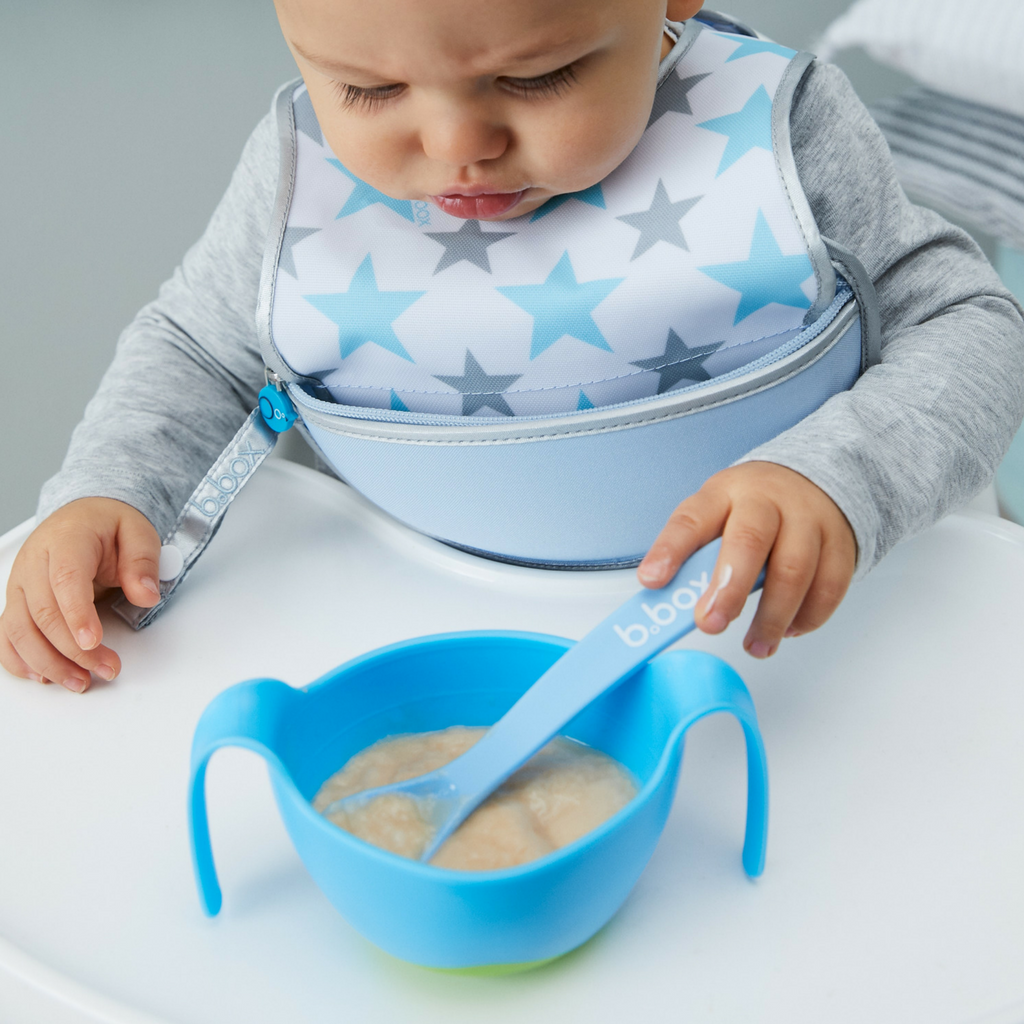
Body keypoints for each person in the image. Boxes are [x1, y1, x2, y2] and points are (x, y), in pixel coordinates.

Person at [3, 0, 1023, 694]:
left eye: (535, 76)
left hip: (800, 632)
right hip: (438, 641)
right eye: (366, 90)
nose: (456, 145)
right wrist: (111, 489)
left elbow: (971, 327)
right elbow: (200, 345)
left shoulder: (780, 132)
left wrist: (839, 480)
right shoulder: (291, 185)